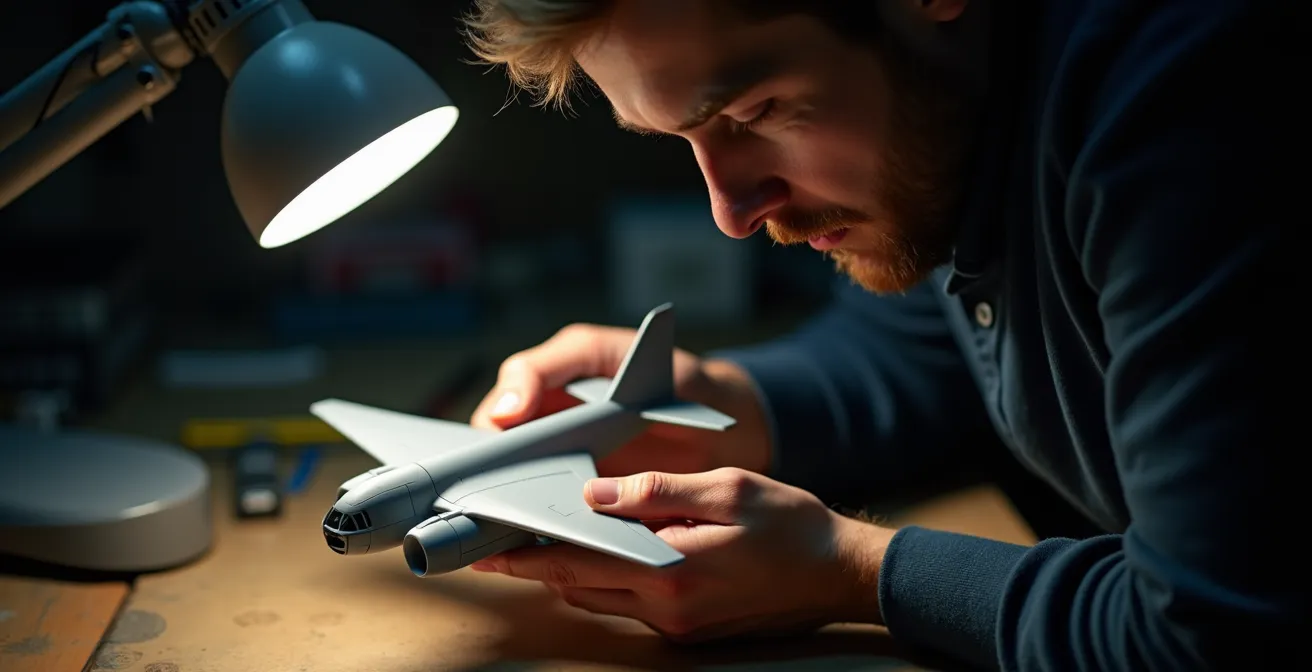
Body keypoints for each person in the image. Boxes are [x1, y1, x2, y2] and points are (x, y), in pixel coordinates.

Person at [456, 0, 1304, 669]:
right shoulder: (960, 117)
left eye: (755, 111)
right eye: (679, 138)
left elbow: (1206, 634)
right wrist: (724, 402)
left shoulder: (1189, 104)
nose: (731, 212)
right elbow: (924, 345)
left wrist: (850, 568)